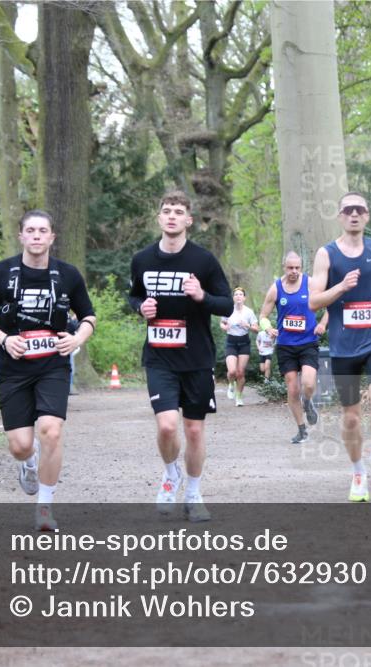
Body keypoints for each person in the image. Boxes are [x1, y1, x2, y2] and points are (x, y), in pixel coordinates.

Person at [0, 210, 96, 530]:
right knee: (21, 445)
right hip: (12, 369)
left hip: (53, 365)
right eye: (31, 230)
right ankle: (28, 463)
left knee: (51, 432)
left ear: (52, 237)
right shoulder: (0, 273)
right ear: (22, 236)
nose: (37, 235)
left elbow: (88, 316)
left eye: (43, 230)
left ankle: (45, 506)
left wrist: (77, 338)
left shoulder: (68, 275)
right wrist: (4, 339)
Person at [128, 190, 233, 522]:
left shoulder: (203, 261)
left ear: (188, 220)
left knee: (194, 431)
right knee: (167, 426)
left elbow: (227, 304)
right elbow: (134, 296)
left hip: (198, 358)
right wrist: (139, 307)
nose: (171, 216)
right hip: (159, 356)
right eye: (166, 211)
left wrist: (202, 295)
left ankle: (193, 492)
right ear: (159, 218)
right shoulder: (142, 260)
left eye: (178, 212)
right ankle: (171, 473)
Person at [309, 193, 371, 502]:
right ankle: (358, 471)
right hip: (344, 346)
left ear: (368, 216)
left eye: (360, 210)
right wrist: (341, 287)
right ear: (340, 216)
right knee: (350, 418)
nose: (354, 215)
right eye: (348, 210)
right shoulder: (327, 254)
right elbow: (313, 300)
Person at [259, 251, 328, 444]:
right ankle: (301, 429)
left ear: (301, 267)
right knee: (292, 389)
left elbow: (330, 305)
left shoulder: (311, 283)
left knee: (308, 384)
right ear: (284, 267)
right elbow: (263, 316)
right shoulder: (276, 288)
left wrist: (322, 324)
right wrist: (268, 328)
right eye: (290, 268)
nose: (294, 271)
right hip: (286, 346)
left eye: (297, 268)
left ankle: (308, 402)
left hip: (308, 342)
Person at [219, 287, 258, 407]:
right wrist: (224, 327)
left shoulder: (249, 312)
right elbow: (222, 323)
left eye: (241, 294)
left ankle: (239, 397)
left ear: (244, 298)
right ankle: (231, 384)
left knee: (240, 373)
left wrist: (247, 325)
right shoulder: (228, 310)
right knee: (232, 371)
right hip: (231, 342)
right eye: (236, 294)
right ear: (233, 298)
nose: (238, 296)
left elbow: (256, 329)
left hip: (244, 343)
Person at [256, 317, 275, 382]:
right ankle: (268, 376)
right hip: (262, 352)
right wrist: (258, 347)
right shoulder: (260, 333)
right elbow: (257, 341)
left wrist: (273, 341)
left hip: (269, 352)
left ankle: (266, 380)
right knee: (262, 369)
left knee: (267, 366)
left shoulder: (273, 333)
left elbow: (277, 340)